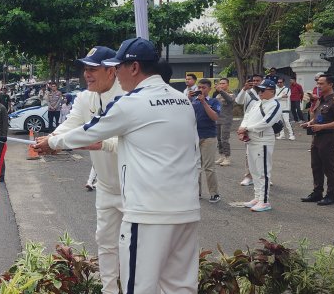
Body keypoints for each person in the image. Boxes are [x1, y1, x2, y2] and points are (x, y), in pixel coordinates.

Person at [34, 37, 200, 293]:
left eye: (117, 67)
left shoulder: (131, 101)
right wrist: (55, 139)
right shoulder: (181, 100)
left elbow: (89, 132)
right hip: (185, 209)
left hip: (146, 211)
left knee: (139, 286)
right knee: (178, 286)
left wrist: (53, 143)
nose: (117, 74)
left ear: (132, 68)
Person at [44, 45, 125, 294]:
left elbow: (133, 143)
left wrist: (99, 143)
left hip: (134, 188)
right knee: (106, 243)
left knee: (134, 248)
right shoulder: (85, 97)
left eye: (93, 69)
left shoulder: (129, 97)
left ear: (111, 71)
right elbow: (71, 124)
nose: (87, 74)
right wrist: (51, 140)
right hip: (106, 186)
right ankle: (110, 290)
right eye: (85, 69)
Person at [300, 74, 334, 206]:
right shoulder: (321, 100)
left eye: (321, 84)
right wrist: (309, 123)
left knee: (328, 168)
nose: (318, 86)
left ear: (330, 85)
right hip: (317, 137)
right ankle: (317, 192)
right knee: (316, 166)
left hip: (328, 138)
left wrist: (321, 127)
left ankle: (331, 196)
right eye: (318, 83)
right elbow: (318, 117)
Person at [237, 79, 281, 212]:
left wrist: (247, 129)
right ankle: (257, 197)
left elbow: (266, 122)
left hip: (263, 141)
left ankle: (265, 201)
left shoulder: (274, 104)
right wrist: (242, 127)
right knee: (254, 171)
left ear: (271, 91)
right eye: (259, 90)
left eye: (263, 90)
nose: (260, 92)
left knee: (263, 172)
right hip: (251, 140)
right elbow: (247, 116)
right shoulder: (257, 103)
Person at [191, 79, 221, 203]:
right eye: (199, 87)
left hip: (209, 136)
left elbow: (215, 117)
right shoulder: (193, 102)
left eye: (203, 87)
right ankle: (195, 192)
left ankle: (214, 193)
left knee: (209, 167)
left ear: (209, 89)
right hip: (194, 136)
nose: (201, 90)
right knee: (194, 167)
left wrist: (204, 102)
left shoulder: (214, 101)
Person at [235, 74, 263, 186]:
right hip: (248, 125)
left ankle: (263, 176)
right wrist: (244, 89)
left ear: (262, 81)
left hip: (262, 125)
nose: (255, 82)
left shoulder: (267, 92)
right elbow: (239, 101)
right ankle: (248, 176)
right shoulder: (247, 92)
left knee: (263, 153)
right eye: (254, 81)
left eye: (258, 80)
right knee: (248, 153)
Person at [212, 78, 235, 166]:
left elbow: (229, 100)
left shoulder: (231, 94)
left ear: (227, 84)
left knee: (224, 139)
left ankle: (227, 157)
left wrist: (221, 91)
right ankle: (221, 155)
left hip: (226, 120)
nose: (221, 85)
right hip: (218, 119)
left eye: (223, 83)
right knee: (218, 139)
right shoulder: (218, 96)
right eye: (220, 83)